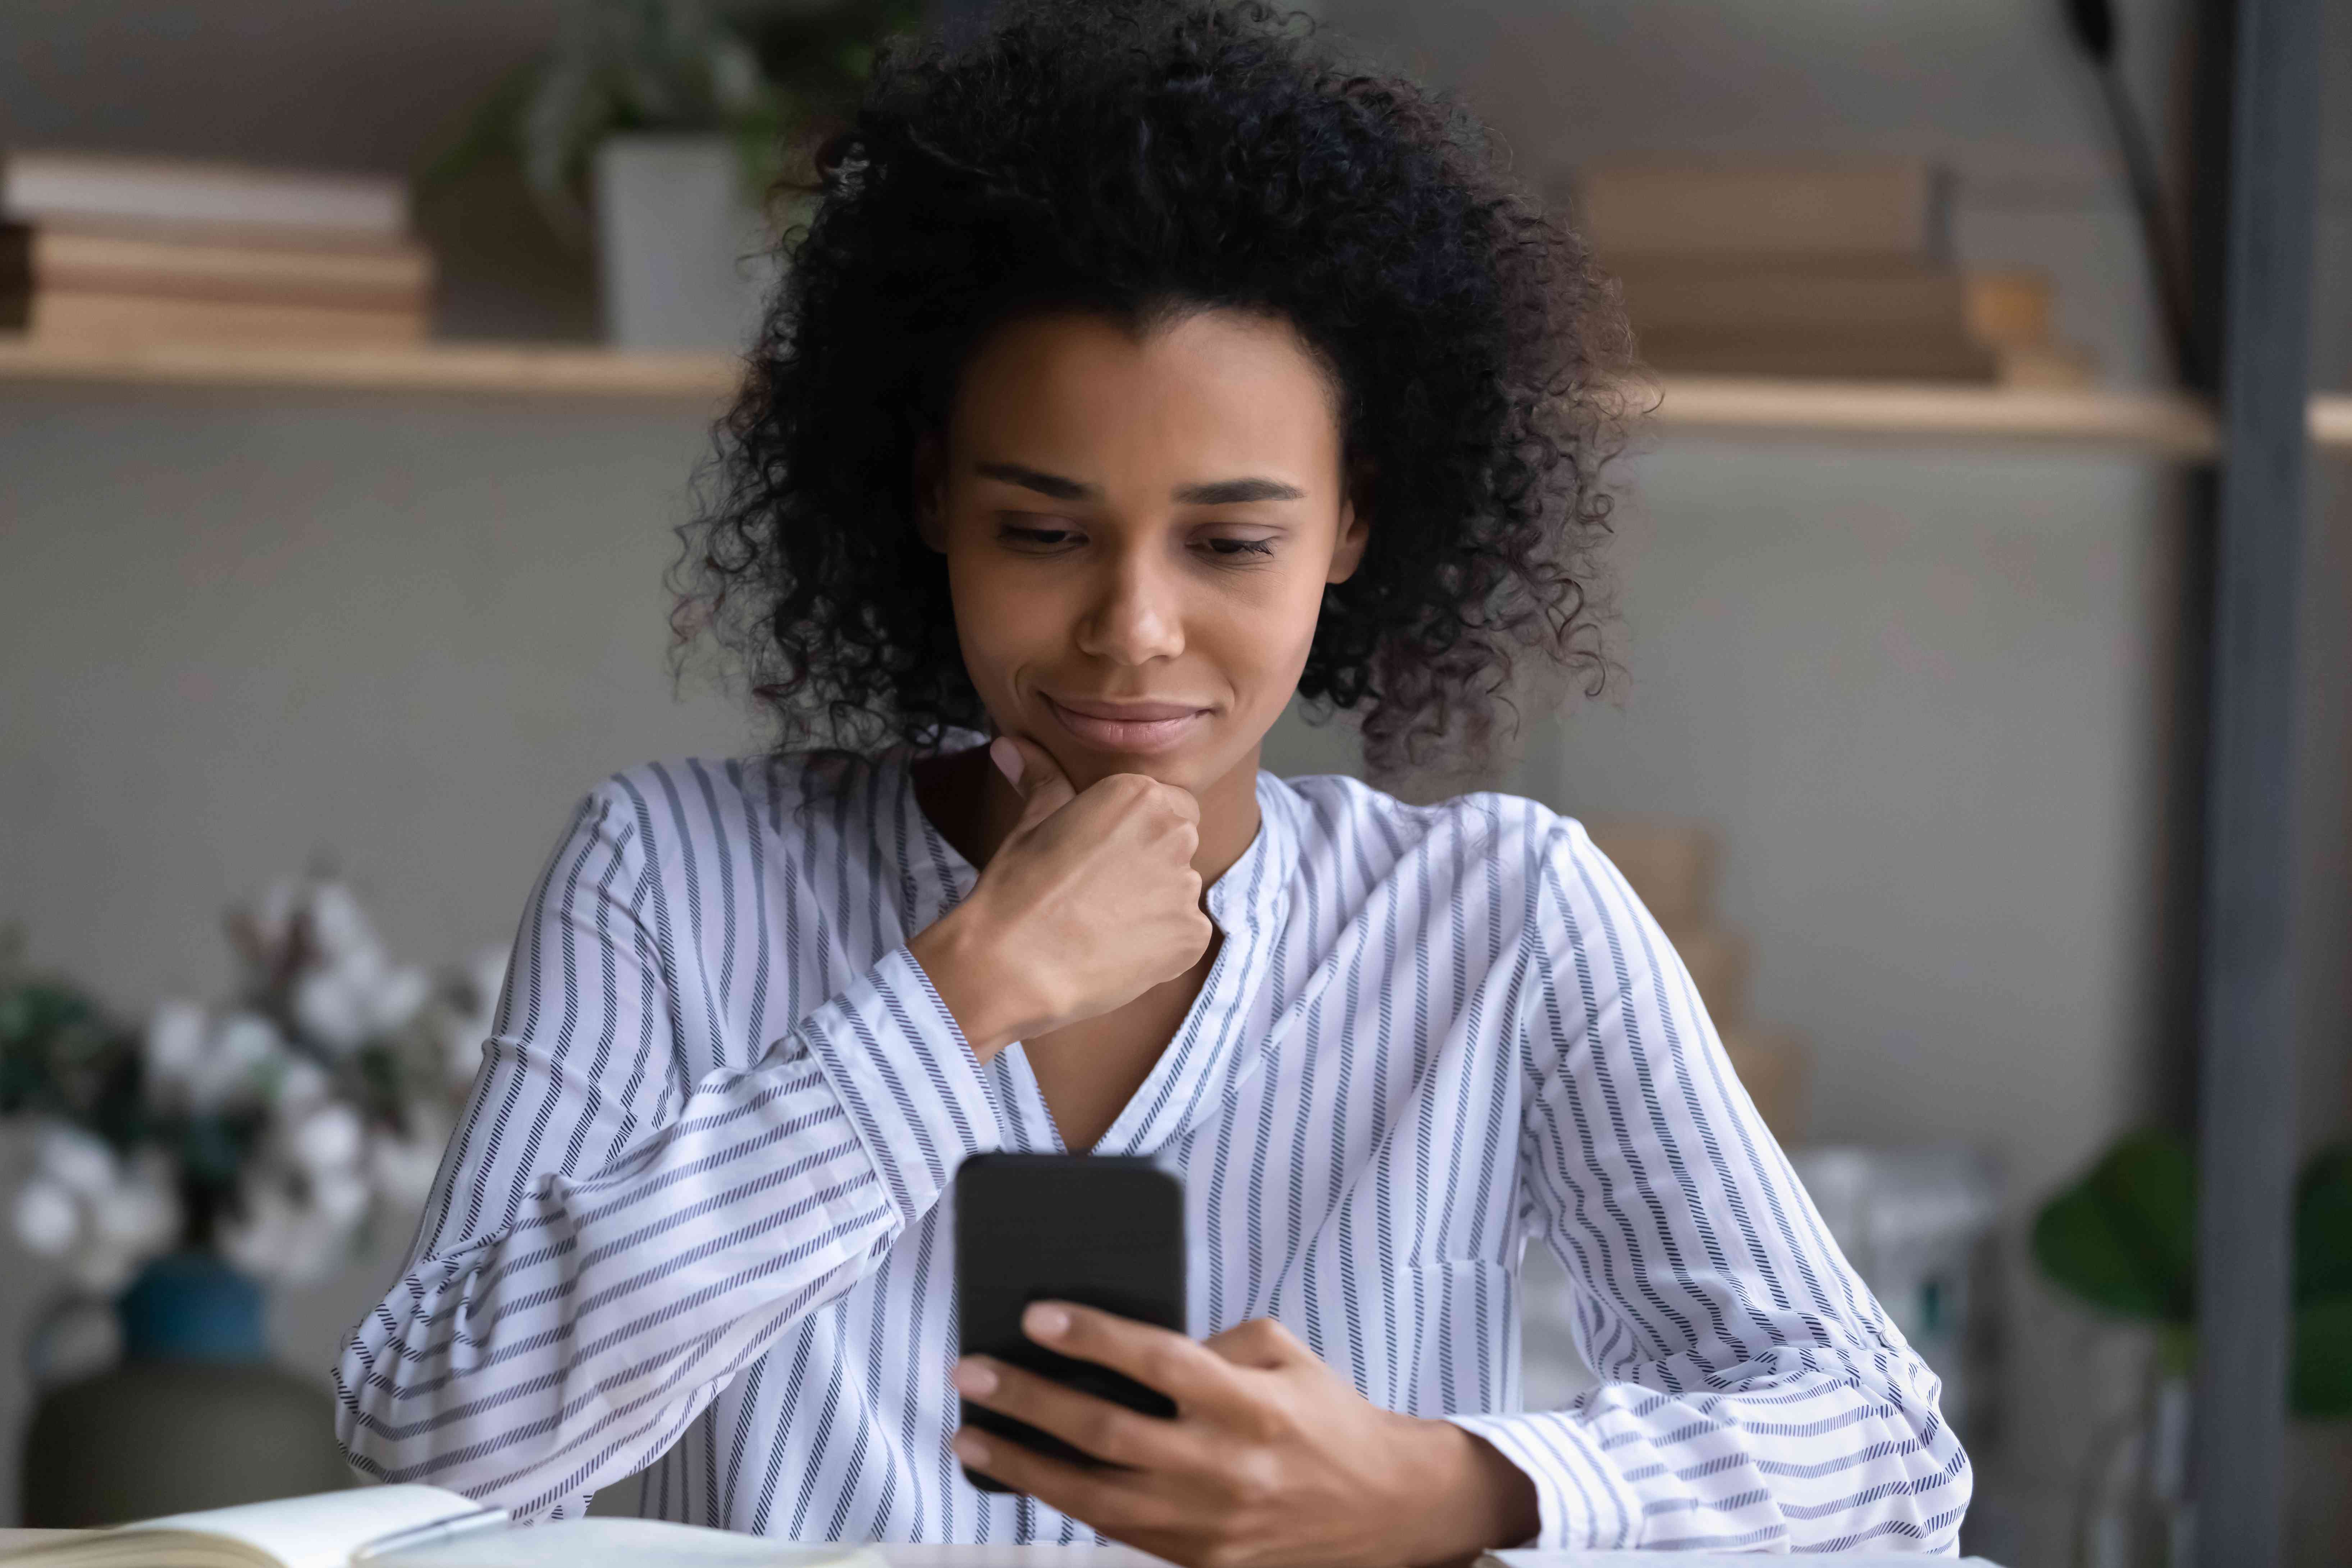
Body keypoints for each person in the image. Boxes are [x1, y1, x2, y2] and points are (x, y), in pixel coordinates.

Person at [334, 1, 1970, 1558]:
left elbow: (1889, 1465)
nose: (1131, 628)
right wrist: (955, 993)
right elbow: (432, 1444)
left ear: (1351, 526)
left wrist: (1441, 1485)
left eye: (1230, 540)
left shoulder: (1505, 917)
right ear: (929, 500)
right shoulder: (675, 876)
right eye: (1042, 531)